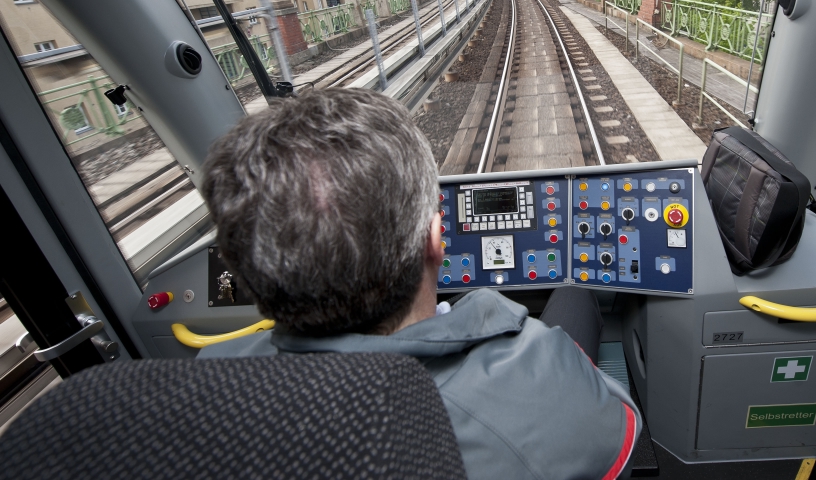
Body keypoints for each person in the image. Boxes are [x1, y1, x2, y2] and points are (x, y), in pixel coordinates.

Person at [198, 88, 640, 480]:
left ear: (244, 270)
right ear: (435, 238)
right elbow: (622, 429)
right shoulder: (545, 381)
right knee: (575, 293)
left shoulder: (204, 382)